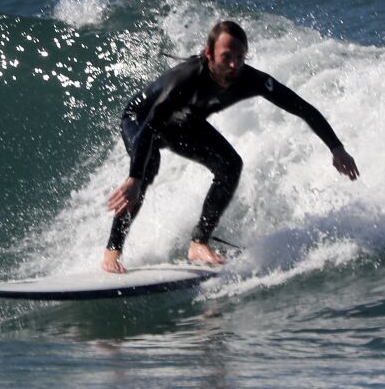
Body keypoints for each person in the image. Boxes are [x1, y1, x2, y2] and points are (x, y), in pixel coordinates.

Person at [103, 20, 359, 273]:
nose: (234, 65)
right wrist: (134, 178)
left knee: (230, 165)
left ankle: (198, 244)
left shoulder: (250, 79)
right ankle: (111, 252)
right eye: (226, 57)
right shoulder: (186, 80)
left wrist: (336, 148)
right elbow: (150, 127)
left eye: (240, 57)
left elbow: (302, 108)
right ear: (209, 54)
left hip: (182, 121)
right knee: (148, 166)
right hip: (140, 118)